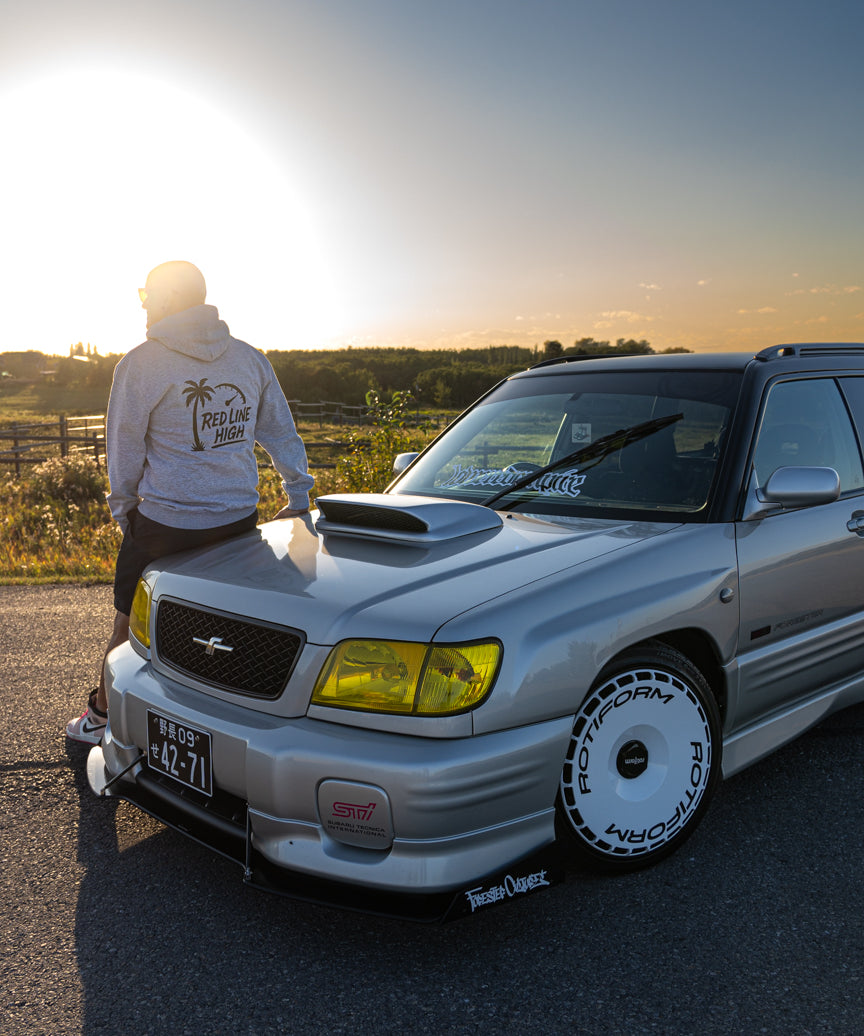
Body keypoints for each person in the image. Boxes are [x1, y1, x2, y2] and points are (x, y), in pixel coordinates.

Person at [66, 260, 313, 743]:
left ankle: (101, 718)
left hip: (163, 523)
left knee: (129, 624)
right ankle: (220, 728)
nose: (142, 305)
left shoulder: (140, 363)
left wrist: (126, 515)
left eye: (146, 295)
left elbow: (124, 449)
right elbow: (280, 431)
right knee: (225, 626)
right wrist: (298, 494)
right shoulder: (249, 358)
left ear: (166, 300)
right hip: (239, 520)